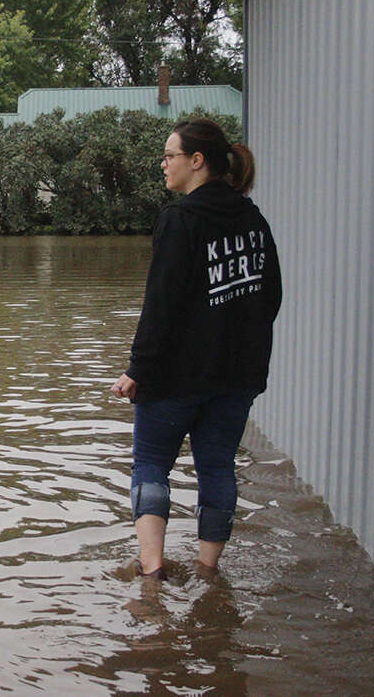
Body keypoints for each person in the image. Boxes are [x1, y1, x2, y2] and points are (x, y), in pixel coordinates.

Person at [110, 119, 282, 579]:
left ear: (197, 162)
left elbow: (161, 305)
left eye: (170, 156)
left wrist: (138, 369)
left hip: (176, 377)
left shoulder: (180, 219)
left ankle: (152, 574)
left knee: (150, 464)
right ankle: (208, 572)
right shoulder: (254, 219)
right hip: (235, 378)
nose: (164, 165)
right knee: (217, 469)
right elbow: (270, 298)